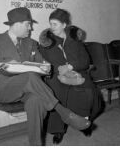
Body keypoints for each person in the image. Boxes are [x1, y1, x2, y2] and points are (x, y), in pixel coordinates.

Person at [0, 7, 91, 146]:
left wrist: (45, 67)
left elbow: (43, 65)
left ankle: (36, 144)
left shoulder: (32, 43)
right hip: (4, 89)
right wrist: (2, 64)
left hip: (29, 90)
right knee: (29, 76)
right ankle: (64, 112)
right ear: (17, 24)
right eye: (28, 24)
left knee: (36, 101)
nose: (31, 28)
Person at [39, 8, 103, 144]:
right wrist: (57, 70)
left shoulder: (75, 41)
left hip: (78, 73)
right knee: (56, 93)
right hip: (56, 76)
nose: (51, 27)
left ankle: (84, 122)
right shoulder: (47, 43)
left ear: (64, 25)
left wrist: (71, 67)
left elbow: (86, 61)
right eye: (50, 24)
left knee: (88, 90)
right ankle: (58, 130)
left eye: (55, 24)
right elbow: (43, 63)